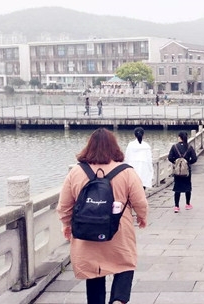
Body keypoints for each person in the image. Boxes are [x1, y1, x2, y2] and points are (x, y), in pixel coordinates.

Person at [57, 128, 148, 304]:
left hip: (87, 233)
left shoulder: (76, 172)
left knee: (94, 271)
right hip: (118, 231)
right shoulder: (126, 172)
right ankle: (118, 300)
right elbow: (140, 202)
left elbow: (64, 205)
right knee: (125, 264)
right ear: (114, 147)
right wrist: (142, 217)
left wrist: (66, 224)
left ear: (89, 147)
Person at [168, 131, 197, 213]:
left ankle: (176, 206)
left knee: (177, 188)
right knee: (187, 187)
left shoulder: (174, 147)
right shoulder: (189, 147)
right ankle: (187, 204)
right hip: (186, 171)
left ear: (179, 137)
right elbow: (194, 158)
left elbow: (170, 157)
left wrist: (176, 162)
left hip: (177, 171)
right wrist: (188, 163)